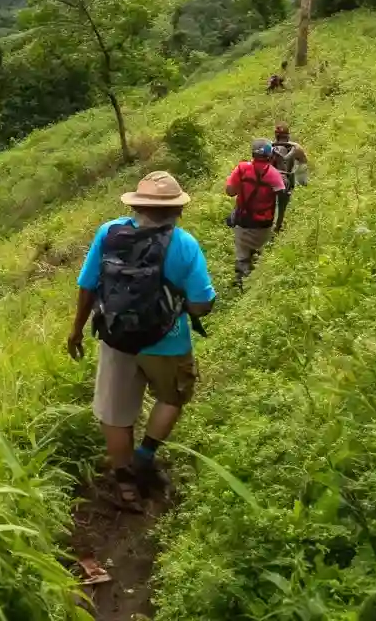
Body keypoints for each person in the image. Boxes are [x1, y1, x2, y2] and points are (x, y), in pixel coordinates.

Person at [66, 171, 216, 506]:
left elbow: (87, 286)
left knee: (116, 414)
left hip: (116, 338)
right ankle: (145, 456)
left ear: (137, 205)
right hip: (168, 342)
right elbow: (202, 305)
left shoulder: (108, 233)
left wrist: (76, 330)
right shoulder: (185, 245)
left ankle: (124, 482)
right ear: (177, 210)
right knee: (172, 398)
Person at [225, 140, 286, 286]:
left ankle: (241, 281)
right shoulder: (274, 175)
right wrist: (279, 223)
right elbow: (282, 198)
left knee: (242, 255)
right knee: (259, 253)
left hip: (242, 221)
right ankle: (255, 282)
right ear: (269, 155)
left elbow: (230, 191)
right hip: (263, 224)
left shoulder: (241, 169)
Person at [268, 124, 308, 231]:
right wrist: (302, 180)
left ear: (276, 136)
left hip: (269, 179)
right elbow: (303, 161)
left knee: (269, 204)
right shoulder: (296, 147)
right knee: (282, 206)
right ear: (288, 135)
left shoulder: (269, 146)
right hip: (285, 179)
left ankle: (268, 227)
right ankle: (277, 227)